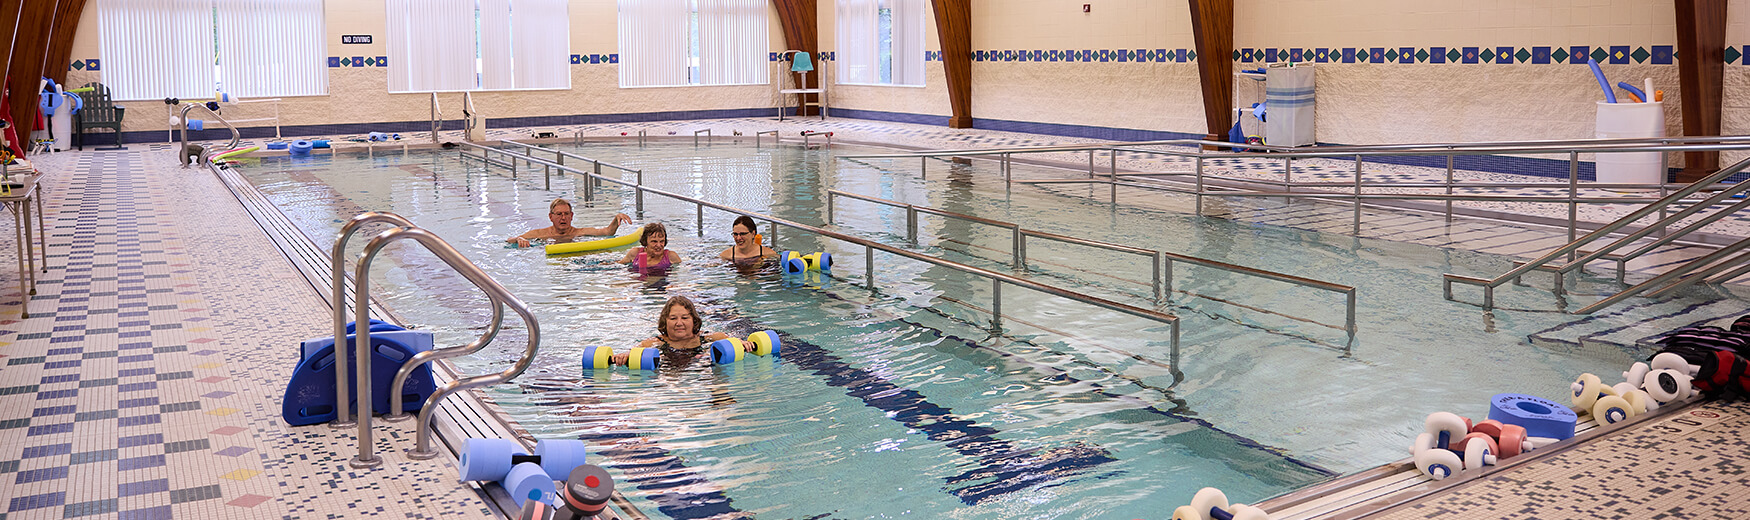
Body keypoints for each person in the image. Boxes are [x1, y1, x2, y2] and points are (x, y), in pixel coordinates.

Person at [610, 295, 736, 366]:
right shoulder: (655, 343)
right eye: (673, 318)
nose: (679, 323)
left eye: (685, 318)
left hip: (702, 373)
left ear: (694, 320)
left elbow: (733, 342)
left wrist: (741, 343)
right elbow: (634, 350)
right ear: (665, 321)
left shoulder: (710, 338)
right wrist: (625, 355)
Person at [507, 198, 631, 247]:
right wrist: (519, 239)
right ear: (551, 217)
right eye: (559, 214)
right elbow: (510, 240)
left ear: (571, 216)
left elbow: (607, 232)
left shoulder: (580, 233)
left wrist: (616, 219)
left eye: (566, 214)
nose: (563, 218)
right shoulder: (540, 234)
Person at [617, 223, 682, 273]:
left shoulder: (671, 256)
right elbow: (619, 266)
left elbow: (682, 272)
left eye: (662, 241)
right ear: (645, 241)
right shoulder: (635, 253)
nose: (659, 245)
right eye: (654, 241)